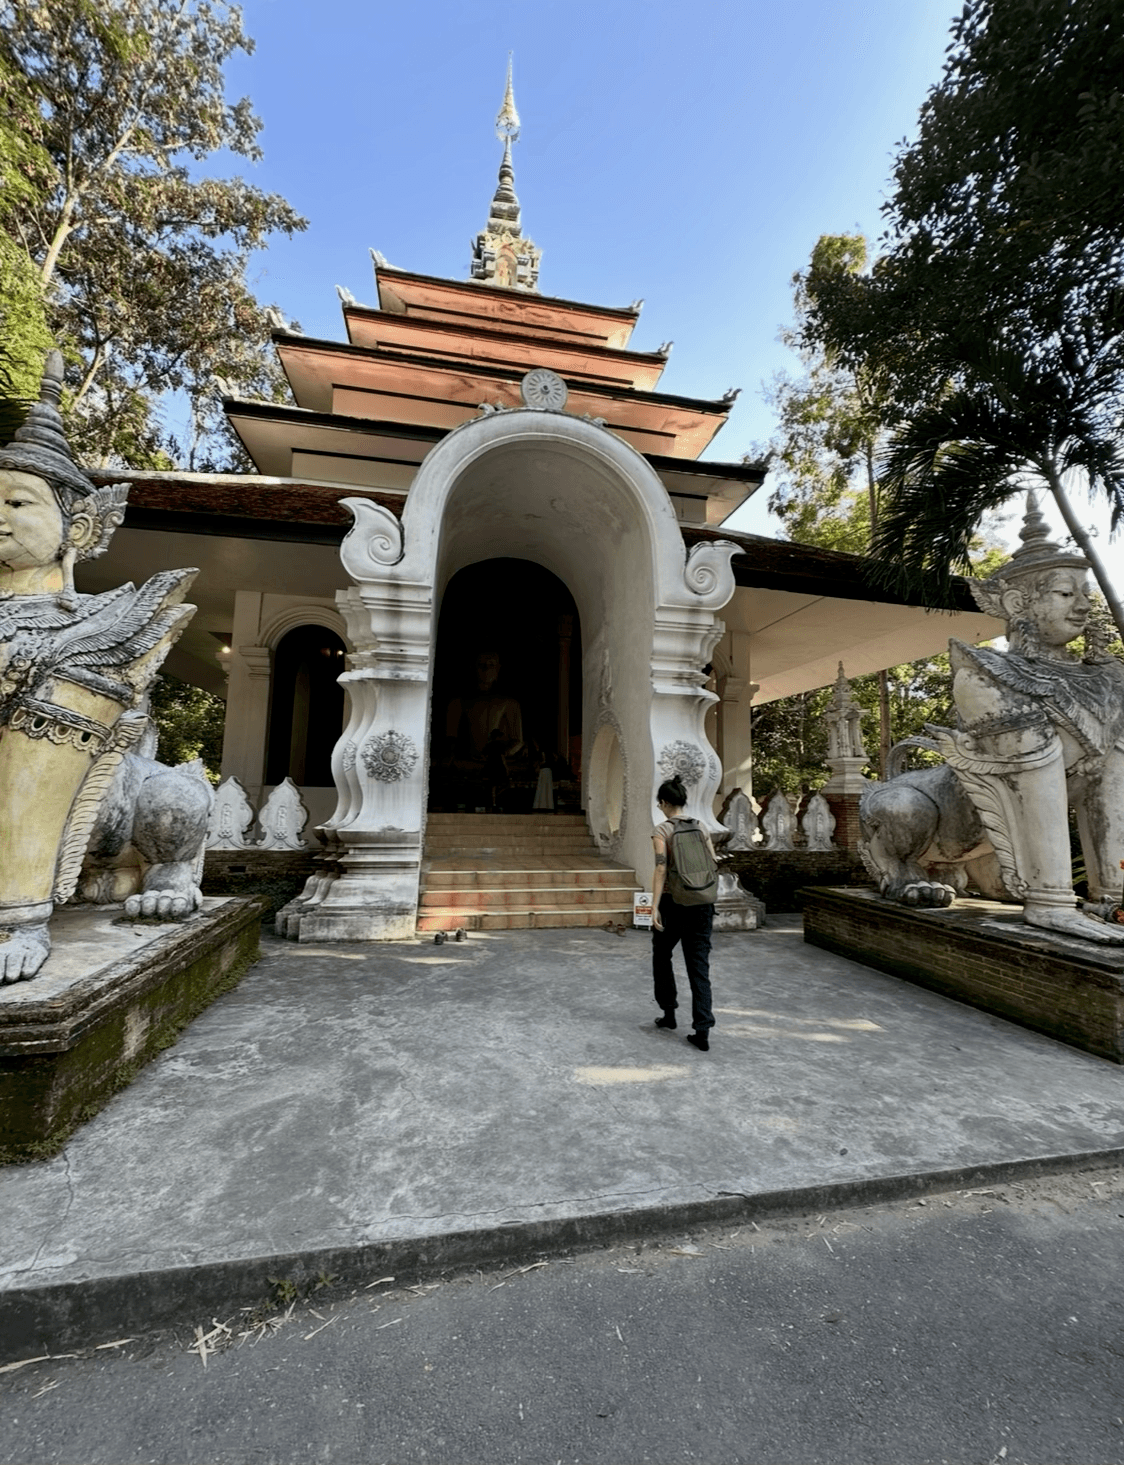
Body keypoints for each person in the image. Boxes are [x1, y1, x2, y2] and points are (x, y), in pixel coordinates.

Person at [651, 776, 718, 1051]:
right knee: (699, 967)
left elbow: (660, 868)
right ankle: (702, 1030)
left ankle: (668, 1013)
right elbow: (713, 861)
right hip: (702, 904)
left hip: (672, 904)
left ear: (665, 803)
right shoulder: (700, 826)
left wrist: (653, 906)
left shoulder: (662, 830)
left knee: (662, 956)